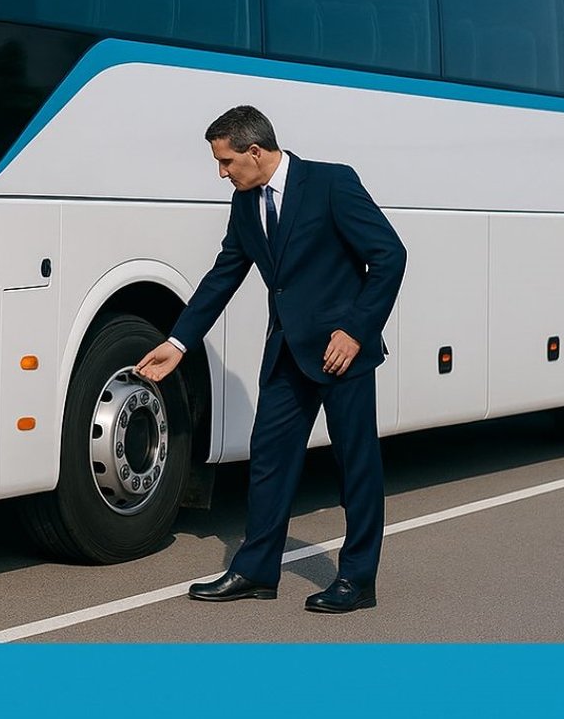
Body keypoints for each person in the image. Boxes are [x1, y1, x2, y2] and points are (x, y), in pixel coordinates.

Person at [135, 105, 406, 613]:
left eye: (226, 161)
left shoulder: (331, 184)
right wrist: (177, 344)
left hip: (341, 353)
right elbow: (223, 277)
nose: (221, 172)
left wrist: (356, 330)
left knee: (356, 467)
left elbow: (390, 255)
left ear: (255, 152)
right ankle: (255, 570)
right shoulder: (245, 204)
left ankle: (357, 580)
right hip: (286, 351)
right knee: (269, 461)